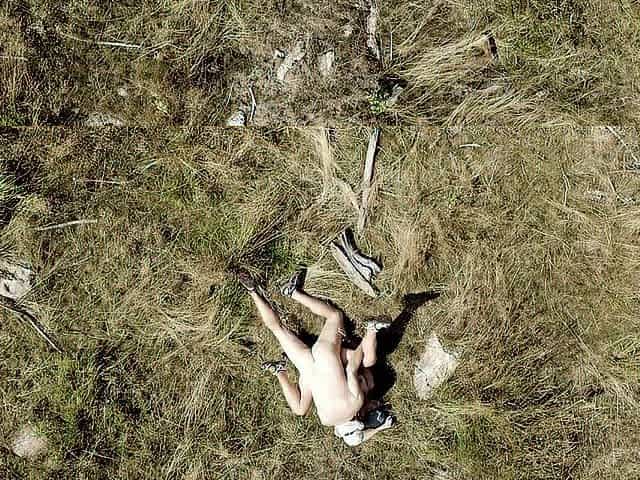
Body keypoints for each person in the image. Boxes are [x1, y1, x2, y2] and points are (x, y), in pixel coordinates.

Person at [236, 269, 395, 446]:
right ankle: (253, 292)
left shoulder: (356, 403)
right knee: (277, 329)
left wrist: (363, 342)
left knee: (335, 316)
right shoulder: (325, 420)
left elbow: (351, 369)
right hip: (307, 369)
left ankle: (292, 292)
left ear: (360, 417)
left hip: (325, 355)